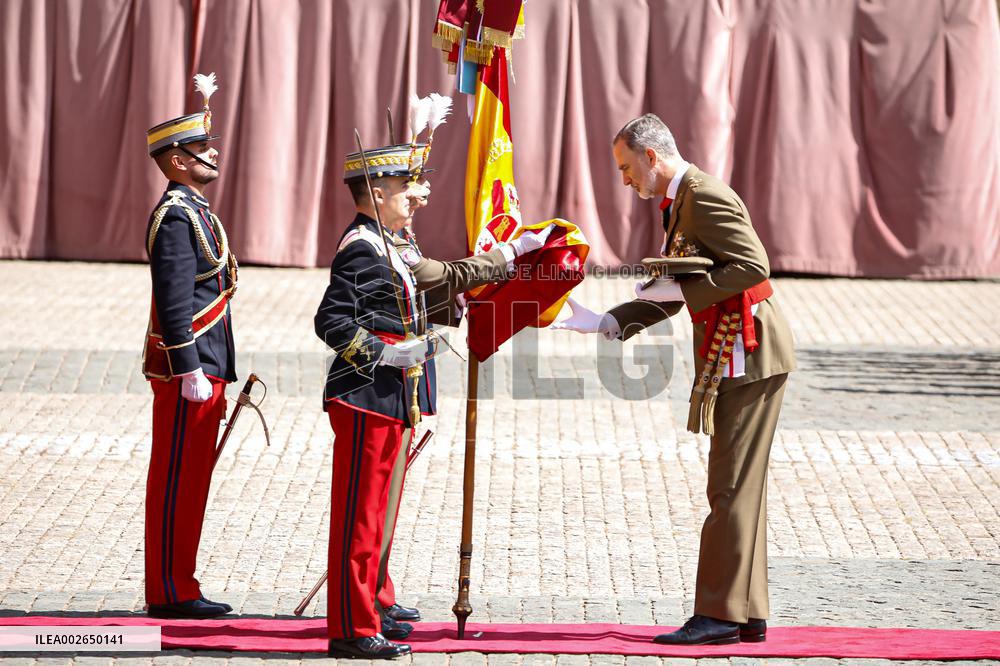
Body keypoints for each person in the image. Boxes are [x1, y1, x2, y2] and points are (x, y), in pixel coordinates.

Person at [553, 113, 796, 645]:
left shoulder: (702, 196)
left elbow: (753, 267)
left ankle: (718, 616)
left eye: (625, 168)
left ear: (652, 157)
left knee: (730, 487)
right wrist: (612, 320)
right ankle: (745, 611)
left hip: (749, 350)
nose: (625, 180)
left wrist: (681, 295)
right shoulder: (683, 198)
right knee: (737, 487)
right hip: (733, 347)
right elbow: (681, 280)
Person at [315, 143, 551, 659]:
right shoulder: (362, 246)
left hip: (391, 398)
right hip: (365, 397)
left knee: (378, 511)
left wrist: (470, 293)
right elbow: (330, 321)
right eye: (405, 190)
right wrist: (384, 355)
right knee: (359, 515)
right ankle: (351, 629)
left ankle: (372, 606)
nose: (416, 198)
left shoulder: (391, 241)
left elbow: (420, 290)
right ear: (377, 195)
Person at [141, 73, 237, 619]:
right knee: (176, 478)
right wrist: (187, 367)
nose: (212, 152)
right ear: (176, 160)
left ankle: (181, 582)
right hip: (191, 368)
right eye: (201, 148)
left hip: (210, 361)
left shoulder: (196, 210)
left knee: (192, 480)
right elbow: (174, 297)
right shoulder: (176, 216)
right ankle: (169, 590)